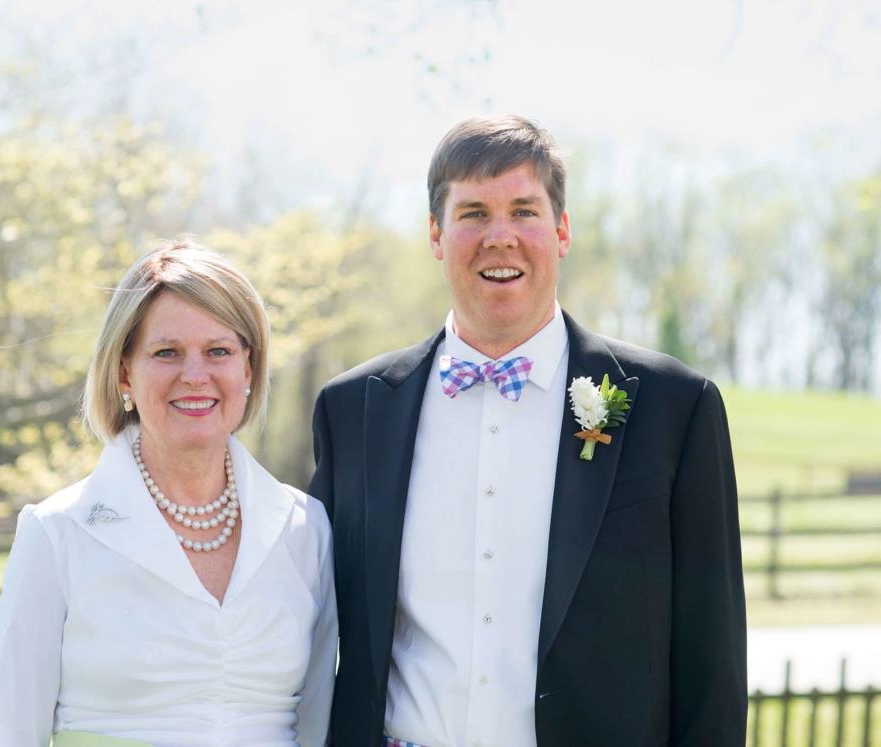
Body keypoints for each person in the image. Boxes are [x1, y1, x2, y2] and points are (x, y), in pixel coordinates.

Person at [309, 115, 747, 746]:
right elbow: (323, 629)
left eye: (523, 210)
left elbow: (714, 661)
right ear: (436, 234)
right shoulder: (354, 412)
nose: (500, 237)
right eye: (473, 214)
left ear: (561, 229)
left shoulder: (675, 410)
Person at [0, 240, 336, 747]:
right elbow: (9, 732)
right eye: (166, 352)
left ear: (248, 369)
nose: (195, 376)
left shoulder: (306, 528)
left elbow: (320, 724)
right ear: (124, 370)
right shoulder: (58, 532)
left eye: (219, 351)